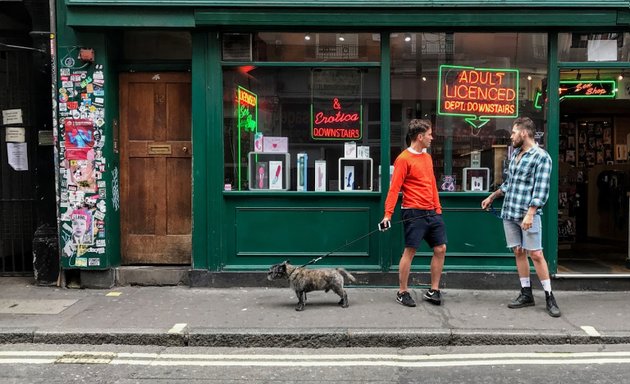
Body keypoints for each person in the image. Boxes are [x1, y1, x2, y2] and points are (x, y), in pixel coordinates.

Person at [481, 117, 561, 318]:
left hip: (527, 215)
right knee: (518, 251)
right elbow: (510, 184)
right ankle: (526, 293)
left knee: (536, 254)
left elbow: (541, 190)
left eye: (514, 132)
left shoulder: (541, 157)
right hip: (510, 212)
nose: (511, 136)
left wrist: (531, 213)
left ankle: (550, 296)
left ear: (524, 133)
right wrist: (492, 196)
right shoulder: (516, 153)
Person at [380, 119, 447, 307]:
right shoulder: (403, 159)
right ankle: (402, 292)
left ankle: (434, 290)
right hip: (413, 211)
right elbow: (394, 189)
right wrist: (388, 214)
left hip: (432, 212)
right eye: (429, 134)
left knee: (440, 248)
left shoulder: (427, 157)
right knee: (410, 251)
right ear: (420, 136)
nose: (432, 138)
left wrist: (438, 208)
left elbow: (432, 184)